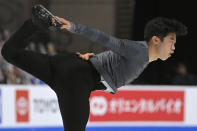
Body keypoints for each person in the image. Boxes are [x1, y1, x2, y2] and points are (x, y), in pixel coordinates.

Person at [1, 5, 187, 131]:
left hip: (68, 66)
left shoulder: (141, 54)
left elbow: (111, 59)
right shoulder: (139, 51)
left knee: (10, 52)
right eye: (172, 41)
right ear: (156, 40)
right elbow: (105, 38)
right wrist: (74, 27)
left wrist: (94, 59)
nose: (174, 47)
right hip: (77, 80)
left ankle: (35, 25)